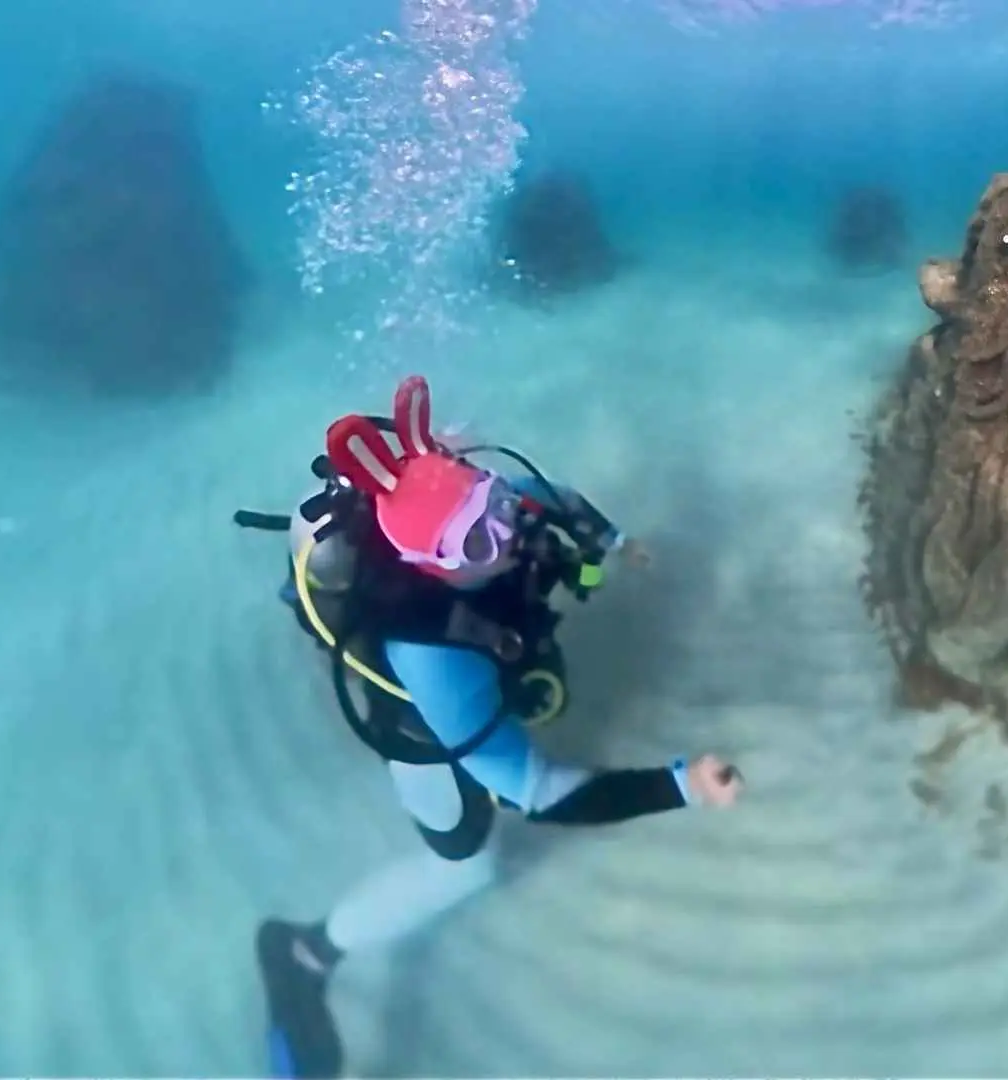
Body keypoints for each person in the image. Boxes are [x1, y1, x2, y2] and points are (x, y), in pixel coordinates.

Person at [236, 375, 744, 1079]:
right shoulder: (435, 653)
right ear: (432, 566)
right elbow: (534, 790)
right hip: (426, 740)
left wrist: (614, 539)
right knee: (468, 863)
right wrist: (681, 785)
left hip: (481, 666)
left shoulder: (494, 505)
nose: (506, 534)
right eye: (477, 540)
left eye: (494, 504)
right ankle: (303, 954)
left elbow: (550, 497)